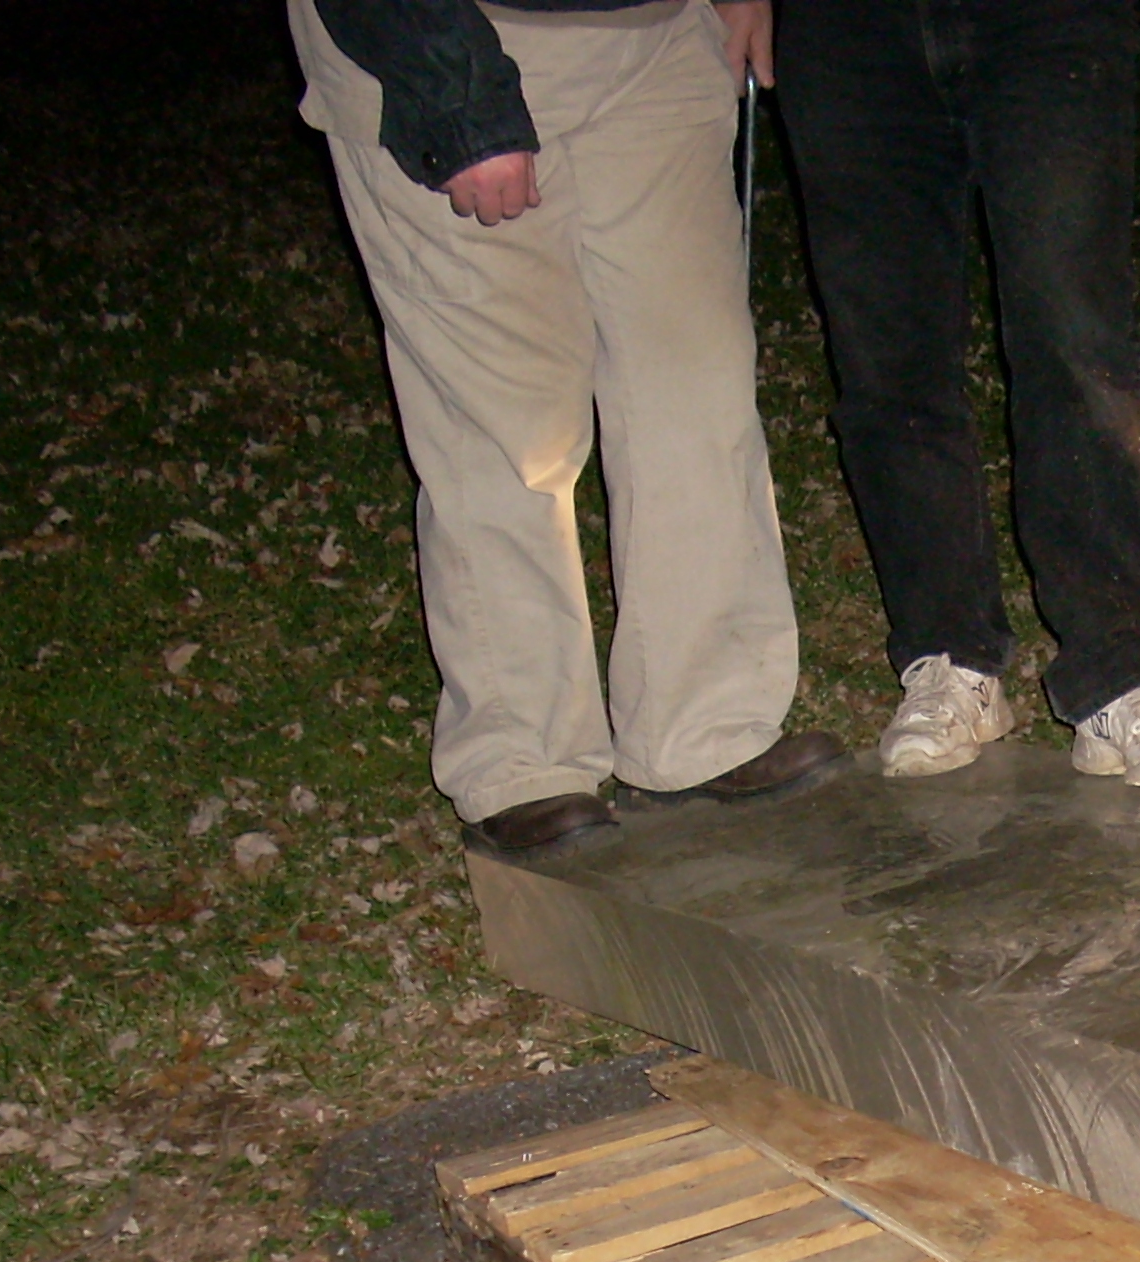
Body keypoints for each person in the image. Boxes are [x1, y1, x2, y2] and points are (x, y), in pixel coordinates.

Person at [286, 0, 841, 855]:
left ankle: (702, 725)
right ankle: (522, 757)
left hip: (658, 37)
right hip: (455, 35)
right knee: (506, 423)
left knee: (696, 383)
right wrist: (455, 94)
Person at [775, 0, 1140, 785]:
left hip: (1049, 21)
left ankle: (1118, 669)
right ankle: (947, 655)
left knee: (1075, 335)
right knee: (886, 352)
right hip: (845, 31)